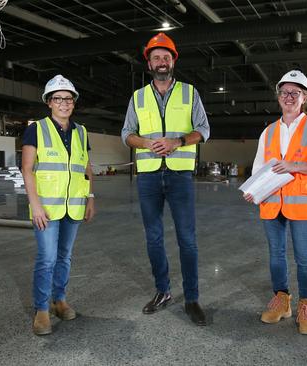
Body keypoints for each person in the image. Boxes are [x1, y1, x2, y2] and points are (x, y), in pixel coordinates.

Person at [121, 32, 210, 326]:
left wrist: (178, 141)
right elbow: (127, 135)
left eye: (166, 57)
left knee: (187, 239)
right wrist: (146, 144)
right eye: (156, 57)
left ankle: (192, 298)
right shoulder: (138, 97)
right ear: (149, 63)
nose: (161, 61)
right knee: (154, 238)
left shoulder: (190, 92)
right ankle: (163, 291)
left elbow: (203, 129)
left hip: (180, 174)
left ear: (173, 61)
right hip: (147, 177)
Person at [244, 70, 307, 335]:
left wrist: (294, 166)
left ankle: (306, 305)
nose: (289, 97)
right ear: (278, 97)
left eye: (295, 92)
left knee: (304, 258)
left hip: (303, 203)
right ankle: (282, 300)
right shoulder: (269, 131)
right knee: (276, 255)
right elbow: (258, 168)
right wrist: (254, 190)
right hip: (272, 201)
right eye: (284, 92)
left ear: (305, 97)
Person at [22, 75, 95, 335]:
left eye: (68, 98)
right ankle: (42, 309)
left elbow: (85, 169)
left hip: (73, 207)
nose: (64, 103)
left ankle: (59, 300)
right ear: (49, 102)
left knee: (64, 257)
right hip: (47, 209)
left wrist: (90, 198)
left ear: (73, 103)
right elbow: (27, 169)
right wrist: (36, 205)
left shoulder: (82, 132)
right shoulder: (37, 129)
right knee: (47, 259)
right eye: (58, 98)